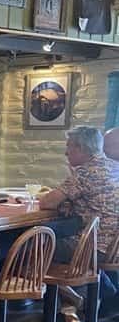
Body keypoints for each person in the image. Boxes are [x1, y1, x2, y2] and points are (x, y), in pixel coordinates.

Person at [39, 126, 119, 310]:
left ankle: (69, 301)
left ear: (81, 149)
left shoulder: (85, 172)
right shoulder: (115, 167)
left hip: (92, 246)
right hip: (113, 246)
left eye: (69, 147)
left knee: (33, 247)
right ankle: (101, 290)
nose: (66, 152)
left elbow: (47, 203)